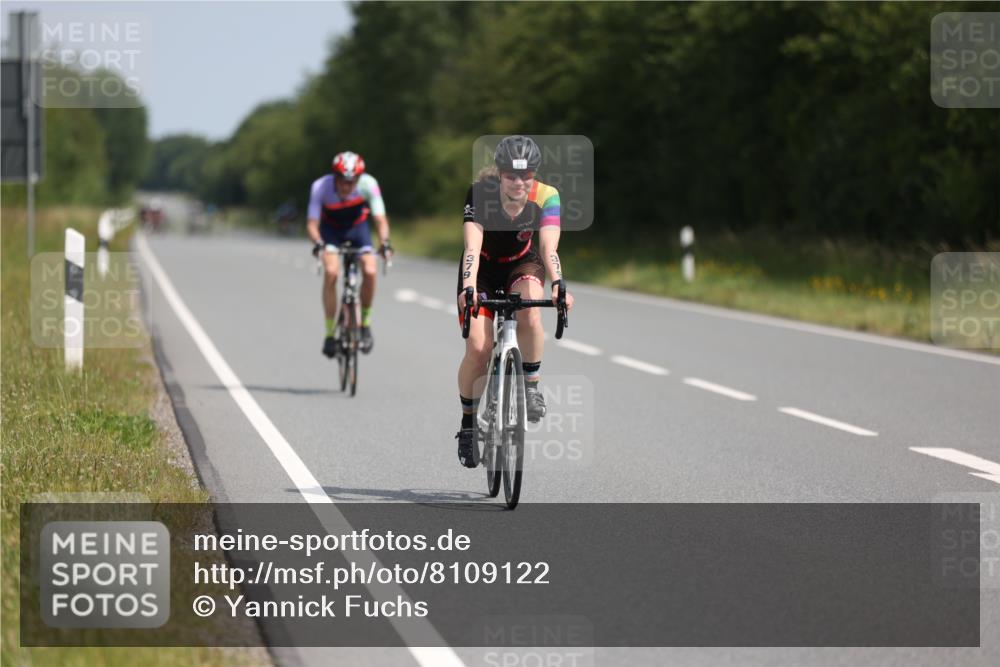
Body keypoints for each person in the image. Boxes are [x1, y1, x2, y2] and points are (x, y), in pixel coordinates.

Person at [454, 135, 574, 468]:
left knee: (531, 313)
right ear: (499, 173)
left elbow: (549, 248)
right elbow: (472, 247)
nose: (519, 182)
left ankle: (531, 385)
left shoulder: (547, 196)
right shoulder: (481, 194)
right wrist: (468, 287)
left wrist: (558, 283)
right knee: (479, 348)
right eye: (511, 175)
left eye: (526, 175)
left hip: (522, 263)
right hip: (482, 268)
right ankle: (468, 424)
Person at [306, 151, 392, 358]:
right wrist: (318, 243)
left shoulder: (369, 184)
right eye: (342, 180)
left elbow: (380, 219)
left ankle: (365, 324)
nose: (346, 186)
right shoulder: (320, 187)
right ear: (334, 176)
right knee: (331, 272)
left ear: (359, 179)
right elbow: (312, 223)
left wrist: (384, 242)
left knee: (370, 271)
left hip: (357, 229)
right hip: (331, 232)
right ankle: (329, 334)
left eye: (352, 181)